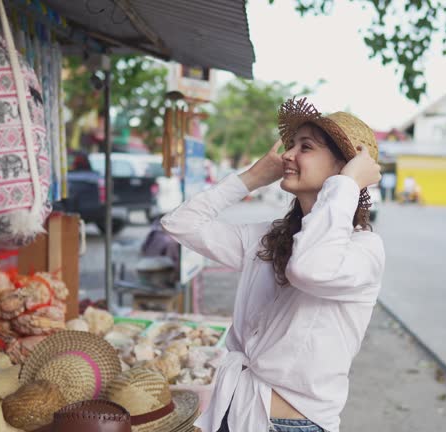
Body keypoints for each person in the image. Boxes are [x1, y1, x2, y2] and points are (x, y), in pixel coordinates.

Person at [161, 97, 384, 432]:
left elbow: (309, 268)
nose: (287, 155)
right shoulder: (269, 238)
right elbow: (180, 224)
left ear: (342, 168)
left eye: (305, 147)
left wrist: (349, 183)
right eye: (290, 146)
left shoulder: (364, 250)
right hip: (233, 410)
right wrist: (251, 178)